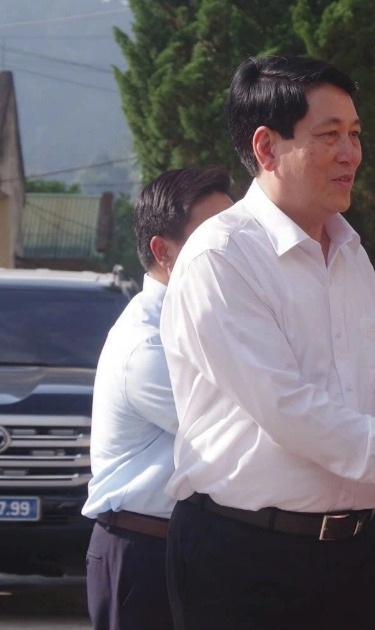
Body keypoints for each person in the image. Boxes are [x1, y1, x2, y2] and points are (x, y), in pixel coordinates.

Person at [159, 55, 375, 630]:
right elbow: (292, 412)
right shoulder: (220, 258)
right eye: (329, 136)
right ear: (267, 148)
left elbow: (371, 407)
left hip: (351, 557)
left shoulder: (350, 254)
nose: (351, 154)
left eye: (355, 135)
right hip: (246, 559)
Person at [83, 167, 233, 630]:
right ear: (162, 251)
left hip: (193, 547)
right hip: (141, 551)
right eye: (213, 237)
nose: (231, 251)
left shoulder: (211, 322)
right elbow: (241, 431)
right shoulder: (144, 344)